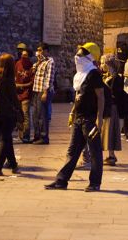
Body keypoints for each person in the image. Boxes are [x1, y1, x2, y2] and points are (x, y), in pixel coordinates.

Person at [45, 42, 104, 192]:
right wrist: (72, 112)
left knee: (95, 151)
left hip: (90, 119)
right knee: (72, 151)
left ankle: (95, 183)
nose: (77, 57)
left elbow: (101, 97)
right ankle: (61, 181)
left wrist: (100, 118)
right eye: (77, 54)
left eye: (81, 54)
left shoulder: (94, 74)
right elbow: (78, 96)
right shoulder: (79, 75)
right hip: (79, 118)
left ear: (90, 57)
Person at [100, 53, 123, 166]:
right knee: (106, 131)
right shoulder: (107, 77)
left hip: (111, 107)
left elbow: (116, 94)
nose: (101, 65)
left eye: (103, 62)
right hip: (106, 106)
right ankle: (110, 155)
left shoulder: (116, 78)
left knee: (110, 130)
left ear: (109, 64)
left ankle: (111, 155)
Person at [32, 43, 55, 145]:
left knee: (42, 115)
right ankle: (37, 136)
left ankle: (44, 137)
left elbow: (49, 78)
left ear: (46, 51)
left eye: (40, 50)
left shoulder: (50, 62)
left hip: (43, 91)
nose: (39, 52)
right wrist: (38, 61)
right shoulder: (40, 62)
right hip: (36, 90)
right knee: (35, 115)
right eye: (38, 50)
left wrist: (45, 92)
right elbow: (33, 71)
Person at [15, 48, 34, 143]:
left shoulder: (31, 67)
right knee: (18, 115)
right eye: (22, 55)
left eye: (25, 55)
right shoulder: (18, 64)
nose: (23, 57)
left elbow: (31, 83)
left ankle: (26, 136)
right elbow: (15, 76)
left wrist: (21, 85)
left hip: (26, 94)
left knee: (25, 115)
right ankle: (20, 135)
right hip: (17, 94)